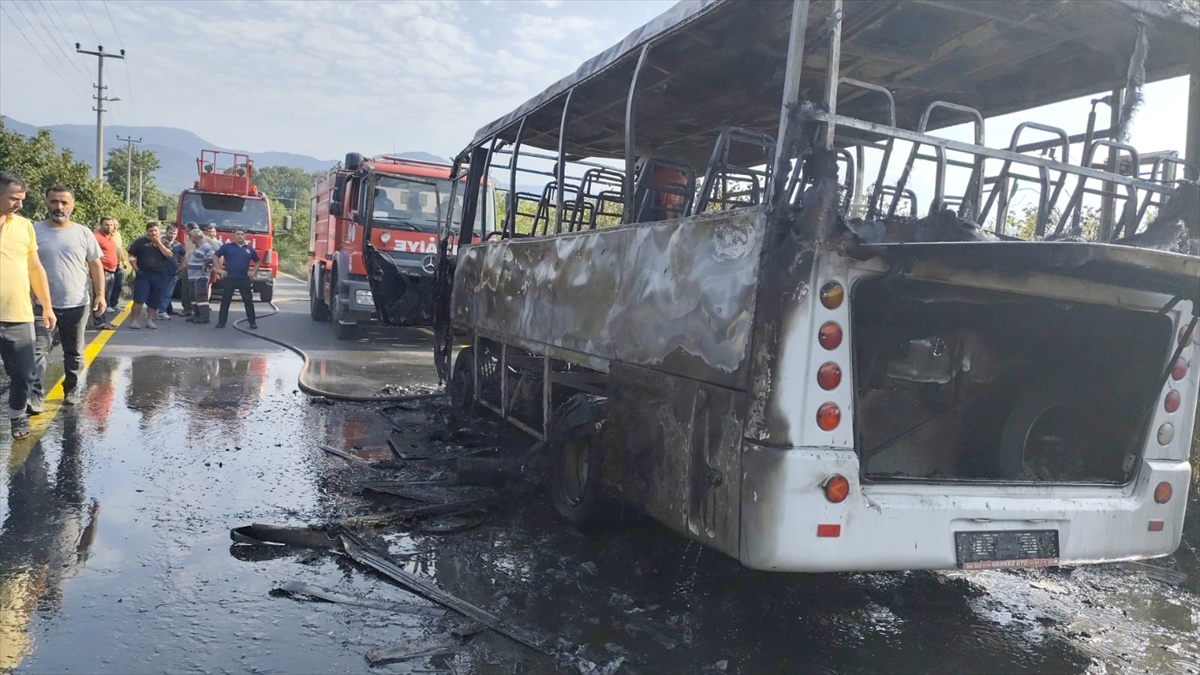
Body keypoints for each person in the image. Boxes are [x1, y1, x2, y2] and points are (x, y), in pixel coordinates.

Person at [31, 185, 107, 410]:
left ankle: (71, 390)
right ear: (46, 202)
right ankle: (35, 396)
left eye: (64, 202)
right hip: (41, 305)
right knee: (38, 352)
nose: (59, 206)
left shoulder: (83, 233)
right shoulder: (33, 231)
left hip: (76, 304)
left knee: (74, 352)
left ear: (72, 205)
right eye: (54, 201)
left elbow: (95, 264)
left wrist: (100, 295)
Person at [0, 171, 56, 439]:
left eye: (21, 199)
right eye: (13, 198)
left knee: (24, 374)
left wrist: (46, 305)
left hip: (18, 314)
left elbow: (35, 267)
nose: (19, 204)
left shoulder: (24, 227)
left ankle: (17, 415)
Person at [126, 221, 173, 329]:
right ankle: (134, 321)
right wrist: (136, 269)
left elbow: (169, 254)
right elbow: (131, 255)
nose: (153, 233)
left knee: (155, 299)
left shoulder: (165, 242)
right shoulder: (140, 241)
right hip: (144, 274)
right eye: (151, 231)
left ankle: (150, 320)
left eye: (155, 230)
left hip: (159, 275)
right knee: (139, 299)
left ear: (159, 230)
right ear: (147, 231)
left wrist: (158, 243)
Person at [213, 228, 260, 329]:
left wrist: (253, 271)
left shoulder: (249, 249)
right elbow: (215, 256)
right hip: (230, 278)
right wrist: (218, 269)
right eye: (237, 234)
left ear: (245, 236)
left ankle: (252, 322)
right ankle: (221, 322)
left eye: (242, 234)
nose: (240, 236)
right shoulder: (227, 247)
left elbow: (257, 261)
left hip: (244, 279)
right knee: (225, 301)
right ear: (234, 236)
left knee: (248, 301)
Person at [184, 227, 219, 324]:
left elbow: (212, 257)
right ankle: (196, 314)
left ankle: (204, 316)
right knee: (193, 297)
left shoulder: (206, 246)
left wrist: (205, 265)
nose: (190, 239)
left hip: (200, 276)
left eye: (191, 237)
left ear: (195, 237)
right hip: (193, 276)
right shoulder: (198, 247)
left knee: (200, 296)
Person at [91, 217, 120, 329]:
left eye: (111, 225)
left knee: (106, 297)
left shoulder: (110, 237)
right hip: (102, 271)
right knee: (99, 296)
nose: (109, 227)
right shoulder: (96, 237)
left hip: (111, 271)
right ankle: (99, 322)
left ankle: (103, 320)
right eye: (106, 225)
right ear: (101, 225)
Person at [156, 224, 186, 319]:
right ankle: (161, 311)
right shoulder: (160, 242)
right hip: (160, 271)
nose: (172, 235)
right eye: (171, 233)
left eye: (175, 234)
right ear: (166, 232)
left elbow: (185, 254)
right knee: (163, 292)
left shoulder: (177, 244)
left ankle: (166, 309)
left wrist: (182, 265)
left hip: (172, 272)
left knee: (168, 292)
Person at [106, 218, 129, 312]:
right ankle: (107, 305)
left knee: (118, 285)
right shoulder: (105, 236)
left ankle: (114, 303)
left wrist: (124, 261)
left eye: (116, 225)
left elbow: (119, 249)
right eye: (113, 224)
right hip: (107, 266)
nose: (115, 226)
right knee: (107, 287)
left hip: (117, 264)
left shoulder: (118, 235)